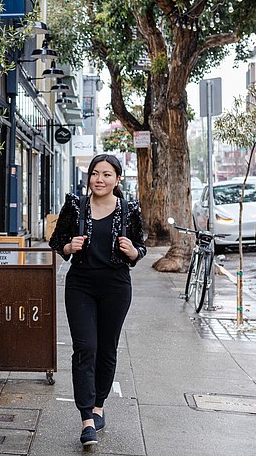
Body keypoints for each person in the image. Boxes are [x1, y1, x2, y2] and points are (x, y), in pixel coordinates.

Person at [48, 153, 146, 447]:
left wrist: (133, 252)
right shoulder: (75, 206)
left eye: (106, 174)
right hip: (80, 284)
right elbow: (56, 241)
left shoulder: (128, 210)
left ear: (117, 179)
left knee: (106, 348)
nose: (99, 179)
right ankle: (86, 419)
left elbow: (141, 246)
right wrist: (69, 245)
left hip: (116, 286)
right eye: (94, 173)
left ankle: (99, 405)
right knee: (85, 348)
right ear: (88, 177)